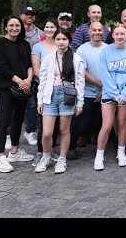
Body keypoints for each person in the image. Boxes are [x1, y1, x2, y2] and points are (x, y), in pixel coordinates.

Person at [35, 28, 85, 174]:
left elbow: (80, 82)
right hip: (50, 96)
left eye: (64, 39)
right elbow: (42, 80)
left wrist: (80, 103)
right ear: (54, 40)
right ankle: (46, 156)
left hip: (67, 96)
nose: (61, 42)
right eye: (58, 39)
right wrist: (40, 100)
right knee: (47, 133)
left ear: (69, 40)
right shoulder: (49, 58)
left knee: (64, 130)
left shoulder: (76, 59)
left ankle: (62, 158)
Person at [93, 24, 126, 170]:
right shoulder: (105, 51)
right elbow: (104, 74)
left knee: (122, 123)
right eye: (117, 34)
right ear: (112, 35)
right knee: (106, 125)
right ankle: (99, 155)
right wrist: (115, 94)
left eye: (122, 34)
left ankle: (121, 152)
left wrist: (124, 94)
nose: (120, 36)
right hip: (109, 93)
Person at [0, 16, 35, 173]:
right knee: (5, 119)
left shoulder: (24, 44)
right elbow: (0, 68)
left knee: (18, 119)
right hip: (6, 87)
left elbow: (29, 65)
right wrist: (19, 80)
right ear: (5, 27)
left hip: (22, 87)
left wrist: (28, 80)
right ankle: (0, 157)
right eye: (11, 25)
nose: (14, 28)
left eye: (17, 25)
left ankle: (15, 151)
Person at [71, 22, 107, 160]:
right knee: (82, 123)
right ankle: (71, 147)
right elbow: (83, 72)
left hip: (105, 92)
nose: (97, 32)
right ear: (90, 32)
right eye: (94, 30)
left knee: (102, 122)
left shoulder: (108, 48)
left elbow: (111, 71)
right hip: (87, 92)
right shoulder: (82, 50)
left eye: (100, 30)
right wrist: (100, 84)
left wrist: (104, 88)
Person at [31, 18, 60, 166]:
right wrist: (50, 81)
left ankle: (53, 149)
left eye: (52, 27)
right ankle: (41, 151)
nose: (49, 30)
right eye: (47, 27)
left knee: (56, 122)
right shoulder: (38, 47)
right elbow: (37, 70)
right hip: (43, 88)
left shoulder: (60, 43)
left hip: (59, 89)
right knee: (44, 123)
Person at [19, 6, 44, 146]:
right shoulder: (17, 31)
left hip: (35, 74)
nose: (29, 16)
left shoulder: (40, 34)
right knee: (15, 105)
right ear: (21, 15)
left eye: (32, 15)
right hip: (19, 72)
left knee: (32, 105)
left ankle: (30, 131)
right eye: (27, 14)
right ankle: (10, 133)